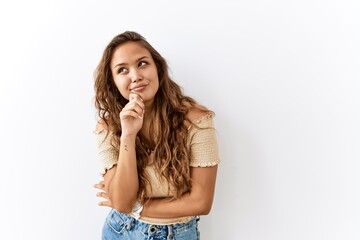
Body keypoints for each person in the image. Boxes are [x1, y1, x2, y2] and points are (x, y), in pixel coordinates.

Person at [93, 31, 220, 240]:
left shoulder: (196, 121)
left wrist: (136, 207)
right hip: (120, 230)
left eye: (142, 63)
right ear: (113, 82)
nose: (135, 76)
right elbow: (122, 202)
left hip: (176, 234)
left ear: (158, 68)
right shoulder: (108, 127)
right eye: (122, 70)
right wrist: (128, 135)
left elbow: (201, 203)